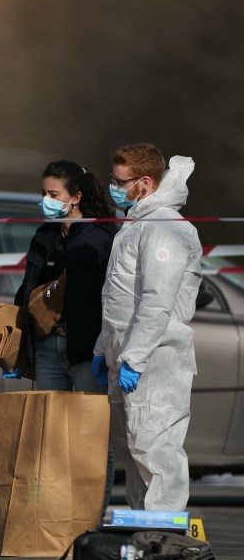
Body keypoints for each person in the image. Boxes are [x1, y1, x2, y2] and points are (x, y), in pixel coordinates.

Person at [91, 143, 202, 512]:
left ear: (144, 182)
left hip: (155, 358)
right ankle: (143, 529)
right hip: (127, 356)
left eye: (120, 182)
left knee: (156, 447)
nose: (114, 187)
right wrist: (102, 347)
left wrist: (135, 358)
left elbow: (157, 300)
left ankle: (164, 534)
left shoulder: (165, 228)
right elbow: (120, 297)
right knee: (134, 447)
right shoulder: (139, 224)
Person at [6, 160, 117, 515]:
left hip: (85, 351)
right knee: (49, 437)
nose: (46, 200)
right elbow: (26, 289)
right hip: (47, 349)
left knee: (90, 438)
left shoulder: (99, 238)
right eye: (43, 193)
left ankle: (90, 517)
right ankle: (55, 516)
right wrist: (16, 348)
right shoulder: (44, 235)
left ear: (76, 197)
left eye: (53, 194)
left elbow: (109, 298)